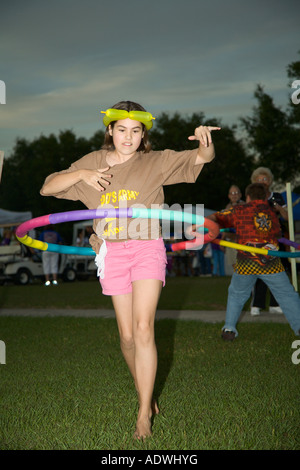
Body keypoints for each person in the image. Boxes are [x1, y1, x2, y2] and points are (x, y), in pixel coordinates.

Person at [40, 100, 220, 439]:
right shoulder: (92, 163)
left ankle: (143, 416)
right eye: (121, 129)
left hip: (146, 244)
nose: (128, 137)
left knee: (143, 328)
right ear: (110, 131)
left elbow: (201, 158)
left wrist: (205, 142)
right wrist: (81, 175)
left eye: (135, 131)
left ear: (143, 134)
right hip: (110, 251)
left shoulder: (155, 161)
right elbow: (47, 187)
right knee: (125, 336)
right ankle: (145, 391)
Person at [209, 183, 300, 341]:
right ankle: (299, 326)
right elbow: (278, 235)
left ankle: (229, 328)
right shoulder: (271, 213)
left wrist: (201, 226)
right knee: (287, 294)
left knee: (237, 294)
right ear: (266, 197)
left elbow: (215, 218)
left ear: (248, 197)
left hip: (247, 262)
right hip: (270, 263)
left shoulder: (239, 210)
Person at [250, 167, 288, 316]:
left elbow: (286, 217)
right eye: (259, 180)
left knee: (278, 271)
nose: (262, 182)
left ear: (270, 181)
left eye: (265, 179)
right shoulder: (253, 197)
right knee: (260, 271)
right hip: (260, 239)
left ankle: (275, 303)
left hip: (278, 238)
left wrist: (278, 208)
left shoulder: (277, 196)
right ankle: (257, 304)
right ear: (254, 182)